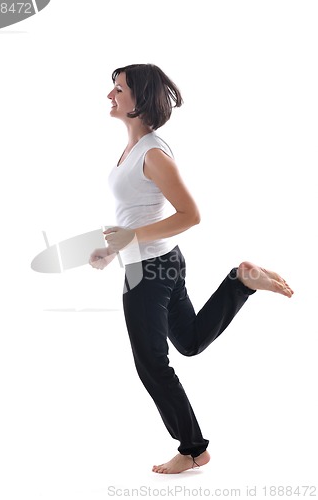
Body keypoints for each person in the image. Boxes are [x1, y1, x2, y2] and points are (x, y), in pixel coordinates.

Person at [89, 64, 294, 474]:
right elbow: (137, 213)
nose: (110, 96)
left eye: (118, 89)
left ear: (139, 100)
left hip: (149, 272)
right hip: (155, 263)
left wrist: (129, 241)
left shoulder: (152, 153)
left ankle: (193, 448)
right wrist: (114, 249)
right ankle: (240, 283)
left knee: (152, 365)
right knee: (190, 342)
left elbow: (191, 215)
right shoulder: (135, 149)